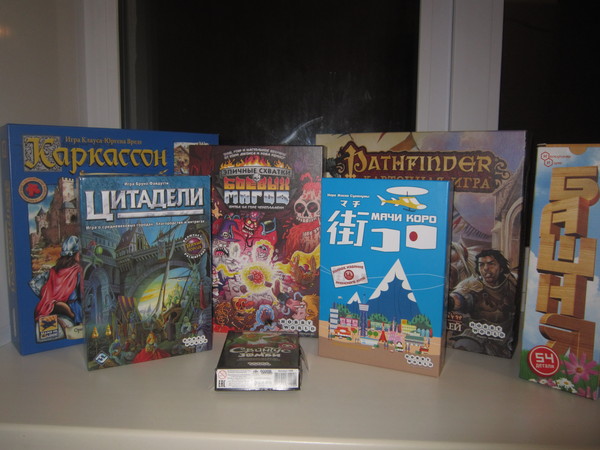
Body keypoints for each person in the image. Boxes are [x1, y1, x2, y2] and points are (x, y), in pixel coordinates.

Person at [448, 249, 517, 357]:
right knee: (465, 346)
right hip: (476, 333)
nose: (485, 269)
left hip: (505, 336)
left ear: (501, 267)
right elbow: (460, 299)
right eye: (481, 265)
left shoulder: (511, 283)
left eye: (491, 264)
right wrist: (451, 301)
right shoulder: (471, 285)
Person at [34, 235, 83, 325]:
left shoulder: (53, 270)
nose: (80, 255)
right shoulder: (78, 270)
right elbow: (82, 295)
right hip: (74, 308)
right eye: (79, 252)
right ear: (74, 254)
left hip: (51, 307)